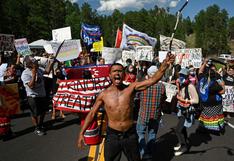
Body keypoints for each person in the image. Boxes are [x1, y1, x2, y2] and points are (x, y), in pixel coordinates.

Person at [77, 53, 175, 161]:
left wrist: (165, 64)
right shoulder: (104, 95)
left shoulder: (131, 88)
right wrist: (82, 133)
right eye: (114, 71)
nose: (117, 73)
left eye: (120, 71)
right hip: (112, 136)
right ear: (110, 75)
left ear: (124, 74)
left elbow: (153, 80)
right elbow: (92, 114)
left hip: (130, 135)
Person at [136, 65, 166, 160]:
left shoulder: (143, 85)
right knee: (152, 134)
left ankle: (144, 152)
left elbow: (136, 97)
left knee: (140, 133)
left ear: (148, 75)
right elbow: (163, 99)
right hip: (155, 115)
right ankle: (149, 153)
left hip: (143, 114)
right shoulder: (161, 86)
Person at [21, 56, 53, 136]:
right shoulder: (25, 73)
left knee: (43, 112)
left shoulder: (39, 69)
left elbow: (47, 71)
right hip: (33, 96)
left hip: (42, 94)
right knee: (35, 113)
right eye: (35, 62)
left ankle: (41, 124)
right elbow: (31, 86)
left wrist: (51, 62)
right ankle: (37, 128)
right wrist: (34, 73)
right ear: (30, 64)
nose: (37, 63)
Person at [174, 68, 199, 156]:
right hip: (181, 109)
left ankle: (184, 147)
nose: (181, 77)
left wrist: (184, 100)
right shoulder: (182, 85)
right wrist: (177, 87)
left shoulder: (190, 86)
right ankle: (182, 143)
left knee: (178, 130)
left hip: (187, 110)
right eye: (180, 75)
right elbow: (180, 95)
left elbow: (196, 100)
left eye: (183, 76)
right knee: (182, 128)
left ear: (187, 76)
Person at [197, 59, 225, 134]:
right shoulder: (213, 84)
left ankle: (202, 128)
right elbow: (222, 92)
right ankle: (214, 129)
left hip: (204, 102)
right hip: (214, 104)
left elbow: (200, 71)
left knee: (205, 115)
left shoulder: (202, 79)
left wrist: (204, 63)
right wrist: (223, 85)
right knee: (216, 116)